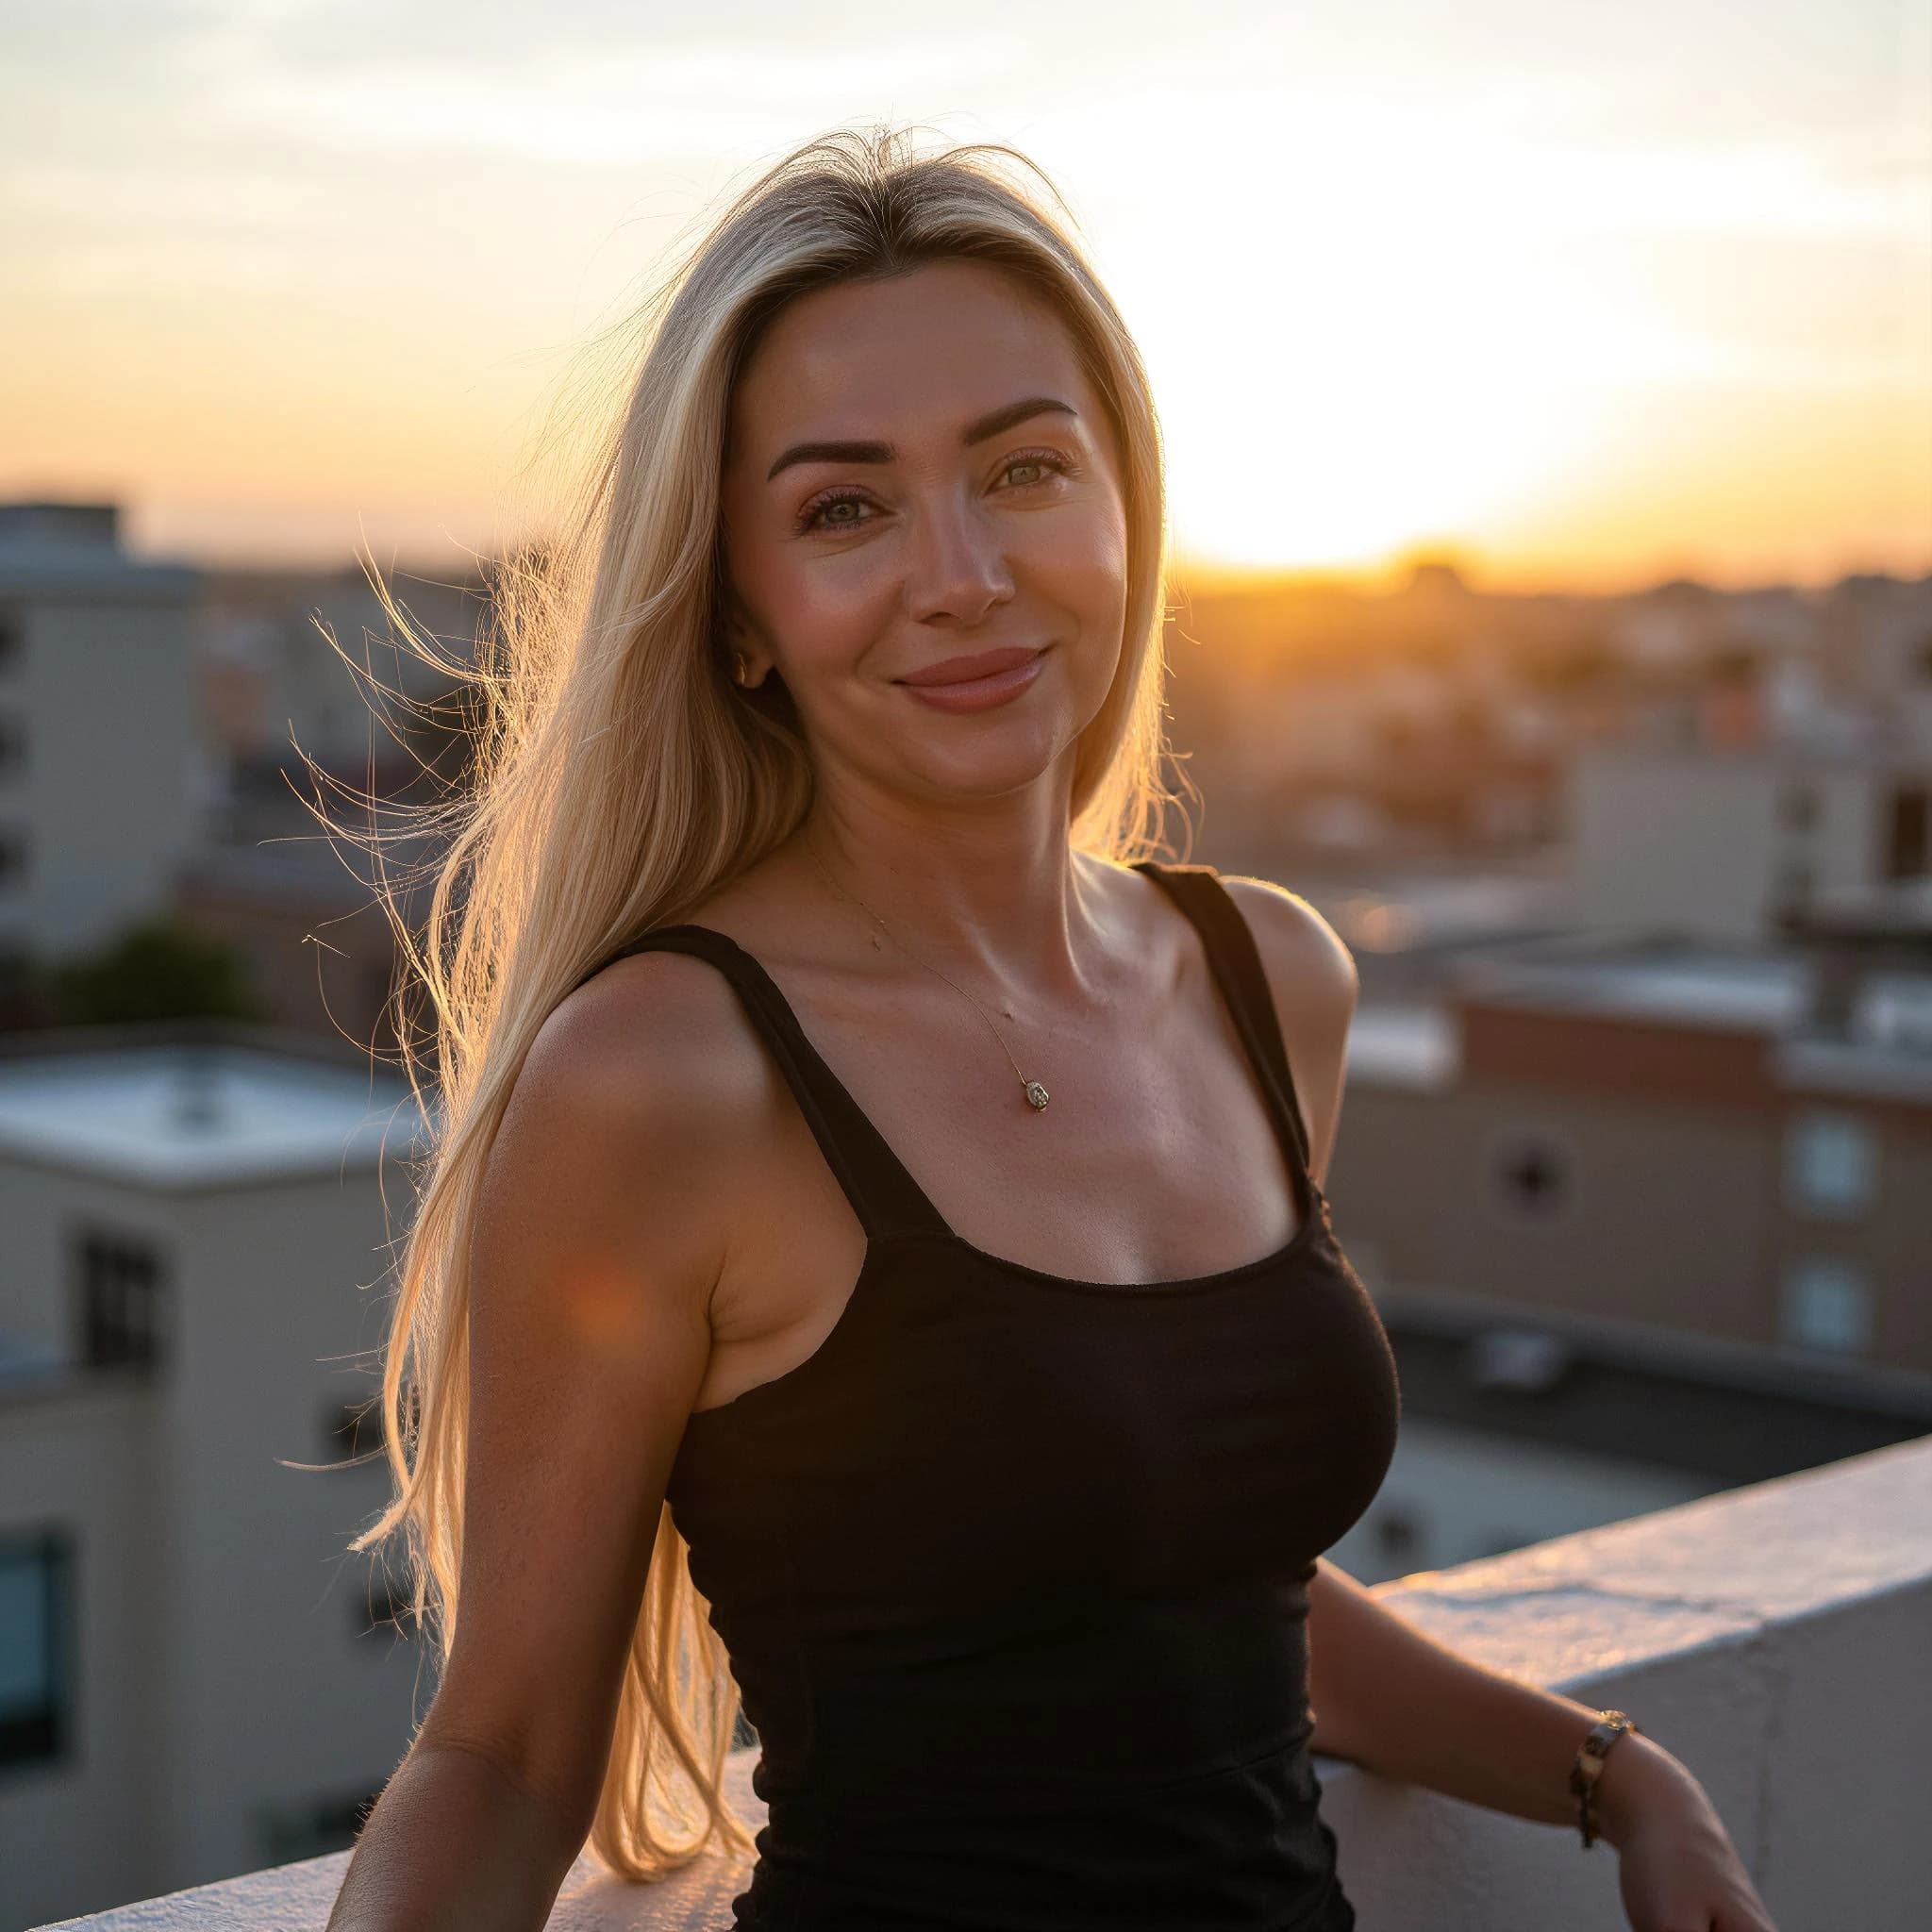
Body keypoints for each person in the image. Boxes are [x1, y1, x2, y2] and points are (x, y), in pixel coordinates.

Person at [322, 126, 1780, 1932]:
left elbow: (1188, 1572)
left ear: (1123, 509)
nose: (964, 573)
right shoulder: (667, 1076)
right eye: (844, 508)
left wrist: (1610, 1776)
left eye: (1022, 470)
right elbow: (509, 1756)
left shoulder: (1266, 980)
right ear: (744, 615)